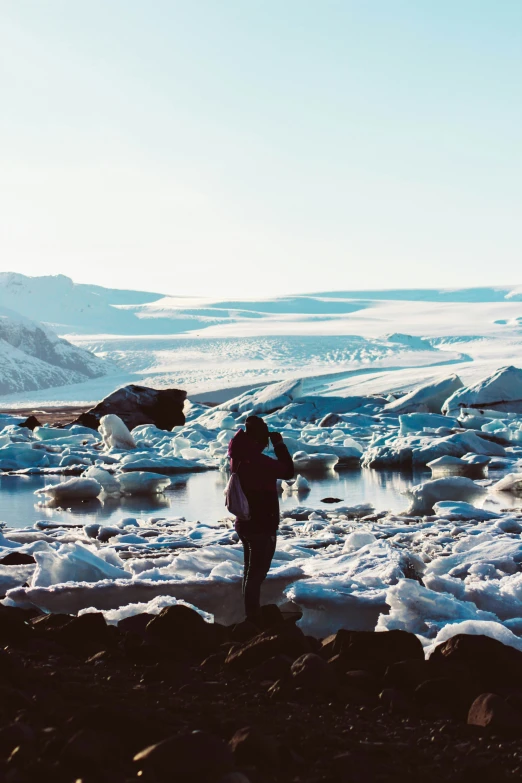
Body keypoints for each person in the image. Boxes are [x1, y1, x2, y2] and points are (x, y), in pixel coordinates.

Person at [228, 415, 294, 623]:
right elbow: (288, 471)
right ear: (258, 439)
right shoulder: (255, 459)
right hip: (261, 523)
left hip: (245, 522)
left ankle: (252, 614)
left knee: (250, 571)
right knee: (257, 572)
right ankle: (253, 617)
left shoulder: (238, 456)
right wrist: (279, 445)